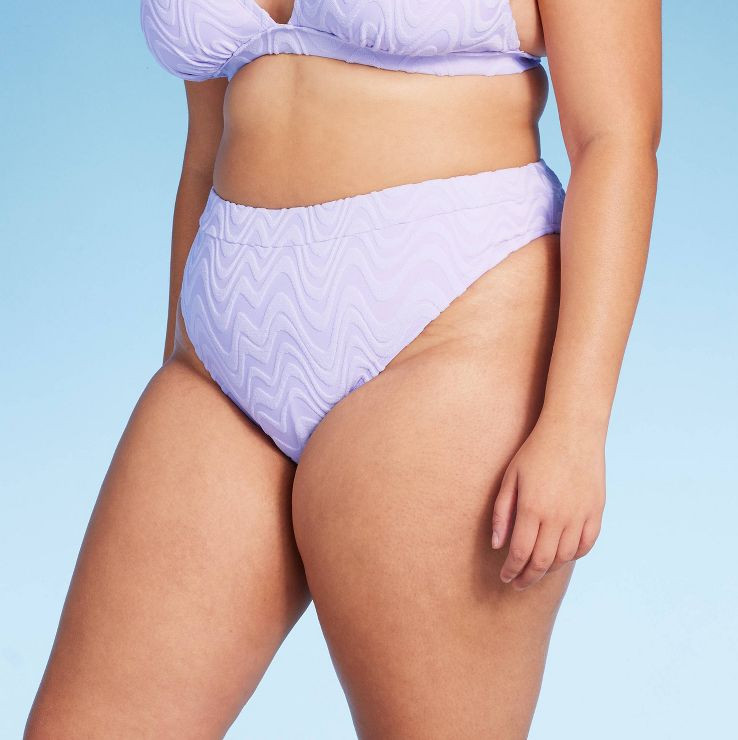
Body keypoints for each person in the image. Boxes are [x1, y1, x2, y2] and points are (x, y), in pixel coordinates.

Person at [25, 1, 662, 737]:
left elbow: (617, 138)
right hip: (220, 365)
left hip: (448, 327)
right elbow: (206, 142)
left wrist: (575, 427)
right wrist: (187, 344)